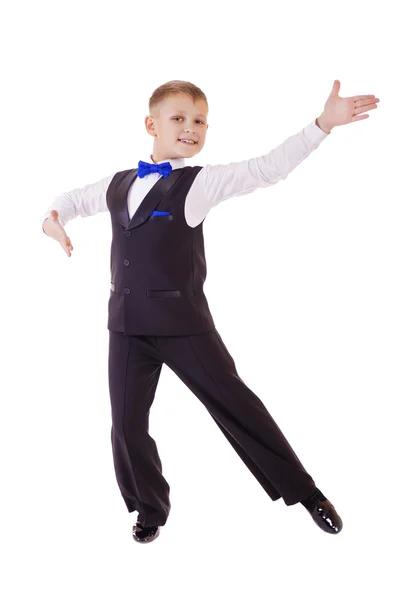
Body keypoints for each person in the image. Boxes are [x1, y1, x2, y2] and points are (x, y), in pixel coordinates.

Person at [41, 79, 379, 544]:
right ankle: (149, 508)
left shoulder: (199, 183)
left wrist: (321, 125)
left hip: (184, 327)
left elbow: (267, 168)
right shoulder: (119, 184)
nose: (190, 128)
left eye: (199, 121)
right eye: (178, 118)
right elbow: (72, 200)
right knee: (126, 426)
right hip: (126, 326)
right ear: (151, 124)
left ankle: (307, 494)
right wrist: (51, 220)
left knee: (238, 407)